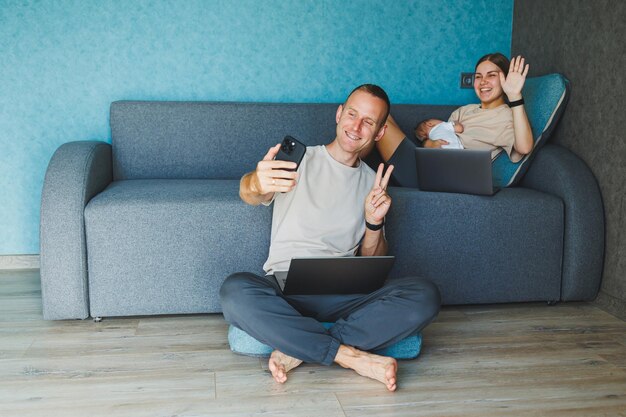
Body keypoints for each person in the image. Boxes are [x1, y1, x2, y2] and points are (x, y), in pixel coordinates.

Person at [219, 84, 441, 392]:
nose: (356, 126)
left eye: (369, 121)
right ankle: (350, 356)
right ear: (339, 114)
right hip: (285, 286)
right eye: (352, 114)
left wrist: (374, 223)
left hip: (343, 294)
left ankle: (297, 347)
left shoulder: (371, 181)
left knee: (424, 294)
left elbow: (372, 262)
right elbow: (250, 191)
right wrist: (258, 181)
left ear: (378, 133)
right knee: (234, 291)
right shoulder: (298, 160)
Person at [377, 54, 534, 188]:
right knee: (383, 113)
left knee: (377, 117)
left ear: (505, 79)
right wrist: (427, 144)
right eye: (478, 76)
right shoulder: (464, 110)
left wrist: (514, 96)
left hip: (445, 176)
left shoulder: (505, 116)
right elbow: (441, 136)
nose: (483, 81)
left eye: (491, 75)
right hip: (430, 163)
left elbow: (525, 147)